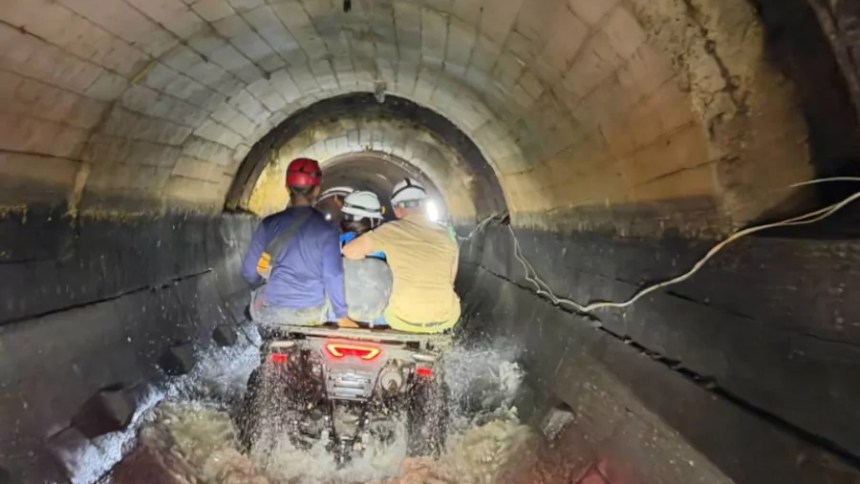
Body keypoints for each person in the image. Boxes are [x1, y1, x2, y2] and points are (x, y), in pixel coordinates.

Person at [241, 157, 352, 329]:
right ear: (316, 190)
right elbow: (333, 275)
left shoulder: (269, 224)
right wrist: (341, 314)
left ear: (287, 188)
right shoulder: (328, 230)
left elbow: (249, 272)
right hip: (311, 311)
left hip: (274, 310)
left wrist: (263, 284)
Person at [343, 178, 460, 333]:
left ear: (397, 210)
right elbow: (451, 279)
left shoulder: (390, 231)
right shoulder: (447, 235)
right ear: (425, 206)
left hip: (402, 319)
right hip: (446, 318)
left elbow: (349, 252)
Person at [338, 191, 392, 327]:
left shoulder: (336, 242)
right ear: (375, 219)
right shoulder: (386, 245)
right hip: (379, 317)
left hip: (339, 316)